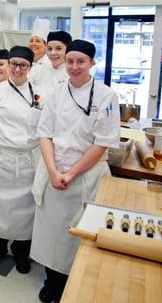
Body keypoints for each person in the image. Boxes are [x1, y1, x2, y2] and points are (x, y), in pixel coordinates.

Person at [30, 40, 120, 303]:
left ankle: (79, 282)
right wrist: (54, 170)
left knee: (82, 231)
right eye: (70, 61)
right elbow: (44, 134)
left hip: (87, 175)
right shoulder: (56, 93)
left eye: (80, 61)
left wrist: (71, 174)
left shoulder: (107, 96)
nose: (74, 66)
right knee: (52, 232)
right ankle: (53, 282)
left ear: (92, 63)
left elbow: (102, 142)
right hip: (54, 169)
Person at [0, 46, 42, 274]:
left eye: (23, 65)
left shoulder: (41, 95)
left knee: (26, 212)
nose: (18, 68)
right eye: (13, 63)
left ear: (30, 67)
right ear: (8, 64)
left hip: (28, 162)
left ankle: (22, 254)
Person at [34, 31, 72, 99]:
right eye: (50, 49)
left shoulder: (72, 73)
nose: (53, 53)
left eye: (58, 48)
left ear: (68, 50)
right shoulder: (42, 70)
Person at [27, 18, 51, 85]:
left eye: (37, 41)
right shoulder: (24, 61)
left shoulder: (49, 64)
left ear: (45, 44)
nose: (33, 44)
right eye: (31, 41)